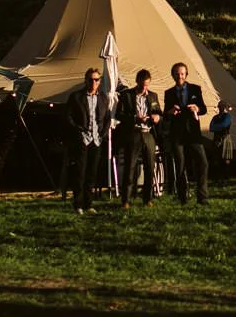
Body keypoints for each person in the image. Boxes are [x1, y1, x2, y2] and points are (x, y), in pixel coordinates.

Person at [64, 68, 111, 214]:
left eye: (96, 80)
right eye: (91, 79)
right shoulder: (76, 97)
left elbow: (107, 118)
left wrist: (102, 134)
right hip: (82, 139)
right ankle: (78, 204)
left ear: (99, 81)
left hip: (96, 140)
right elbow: (68, 116)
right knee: (80, 173)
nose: (93, 82)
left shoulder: (103, 98)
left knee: (92, 173)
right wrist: (78, 130)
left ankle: (88, 204)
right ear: (85, 80)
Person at [162, 62, 209, 205]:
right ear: (172, 75)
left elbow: (203, 109)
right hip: (177, 134)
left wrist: (197, 108)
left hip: (193, 132)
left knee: (203, 163)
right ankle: (183, 197)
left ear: (186, 74)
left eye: (182, 73)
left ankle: (202, 196)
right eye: (177, 74)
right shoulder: (169, 93)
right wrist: (170, 112)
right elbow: (165, 115)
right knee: (180, 165)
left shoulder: (195, 89)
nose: (180, 76)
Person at [118, 69, 162, 207]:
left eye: (147, 85)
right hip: (134, 133)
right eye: (142, 85)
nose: (144, 88)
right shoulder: (127, 95)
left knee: (150, 167)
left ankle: (147, 199)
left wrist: (157, 117)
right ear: (137, 82)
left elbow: (159, 112)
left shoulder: (153, 96)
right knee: (130, 167)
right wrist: (134, 118)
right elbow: (119, 115)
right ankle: (126, 199)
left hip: (148, 133)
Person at [210, 101, 234, 182]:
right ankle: (217, 177)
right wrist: (219, 127)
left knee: (226, 159)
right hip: (217, 138)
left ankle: (226, 176)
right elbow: (211, 127)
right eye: (220, 106)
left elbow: (224, 125)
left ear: (225, 107)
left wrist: (217, 127)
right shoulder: (215, 117)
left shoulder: (227, 116)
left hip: (225, 137)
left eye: (222, 106)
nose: (221, 108)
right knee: (216, 159)